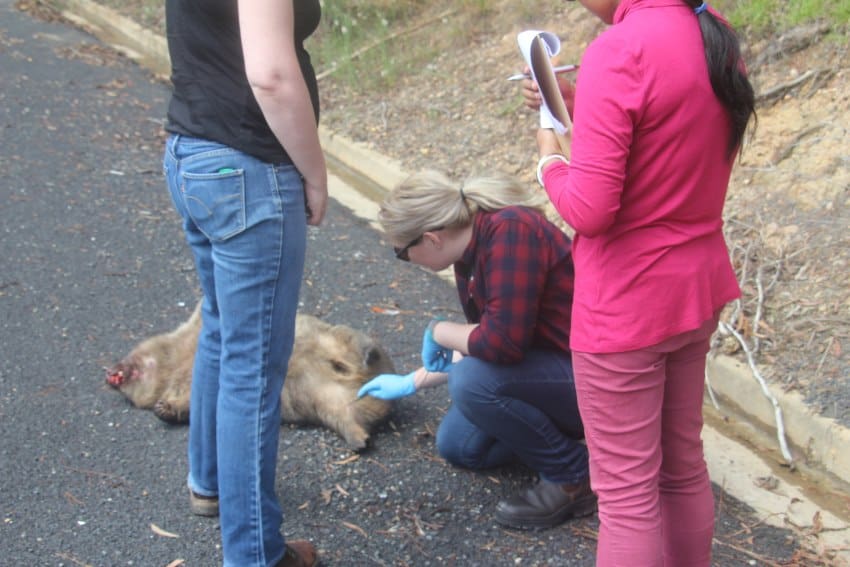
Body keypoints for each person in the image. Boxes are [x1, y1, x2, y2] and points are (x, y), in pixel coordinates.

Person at [522, 0, 756, 565]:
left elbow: (591, 210)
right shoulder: (712, 30)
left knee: (627, 497)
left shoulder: (620, 49)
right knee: (682, 467)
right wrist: (580, 99)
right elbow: (672, 123)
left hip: (626, 307)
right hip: (695, 290)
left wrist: (548, 164)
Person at [162, 1, 328, 565]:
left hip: (191, 150)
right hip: (247, 167)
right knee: (252, 369)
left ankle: (208, 482)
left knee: (222, 327)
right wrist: (315, 170)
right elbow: (271, 74)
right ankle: (256, 554)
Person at [358, 169, 594, 530]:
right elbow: (486, 344)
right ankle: (571, 444)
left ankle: (575, 476)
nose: (405, 260)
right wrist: (412, 382)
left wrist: (438, 329)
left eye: (402, 252)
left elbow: (502, 343)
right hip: (551, 369)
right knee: (461, 446)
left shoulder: (512, 231)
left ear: (431, 238)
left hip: (594, 376)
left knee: (472, 383)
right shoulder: (468, 255)